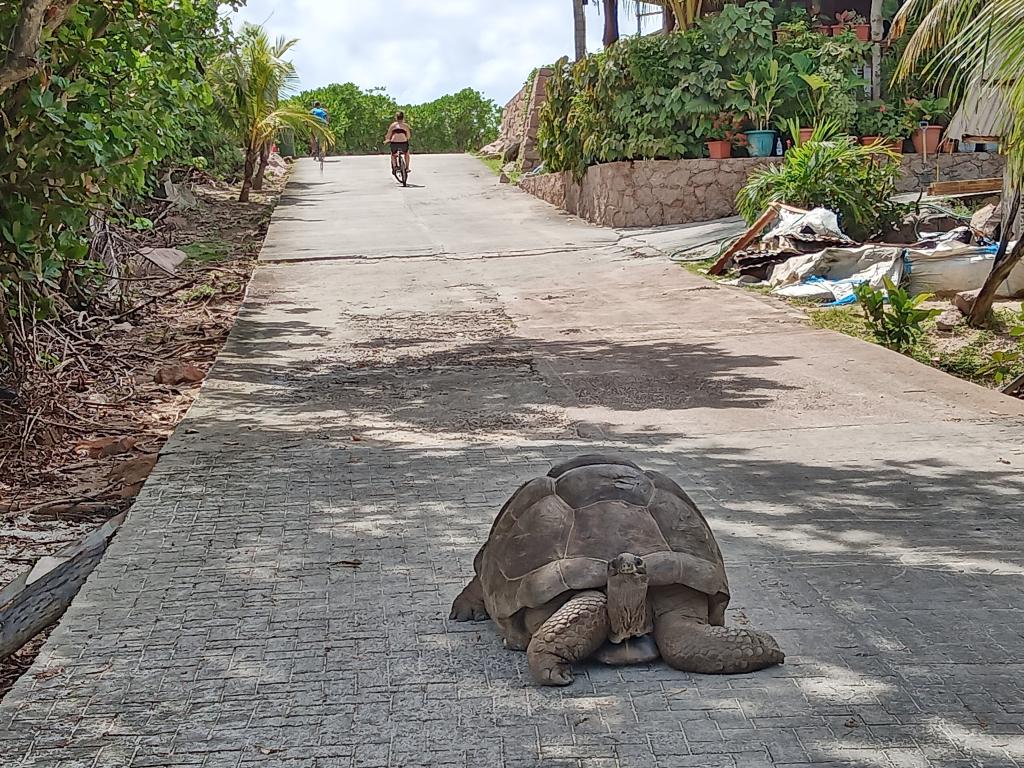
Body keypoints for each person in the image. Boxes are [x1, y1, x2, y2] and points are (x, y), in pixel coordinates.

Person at [384, 111, 412, 175]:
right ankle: (407, 167)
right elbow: (408, 136)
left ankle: (395, 166)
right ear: (403, 117)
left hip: (394, 143)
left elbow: (388, 135)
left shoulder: (393, 125)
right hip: (403, 143)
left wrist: (387, 140)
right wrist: (405, 138)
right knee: (406, 153)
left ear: (396, 118)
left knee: (393, 154)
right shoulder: (406, 126)